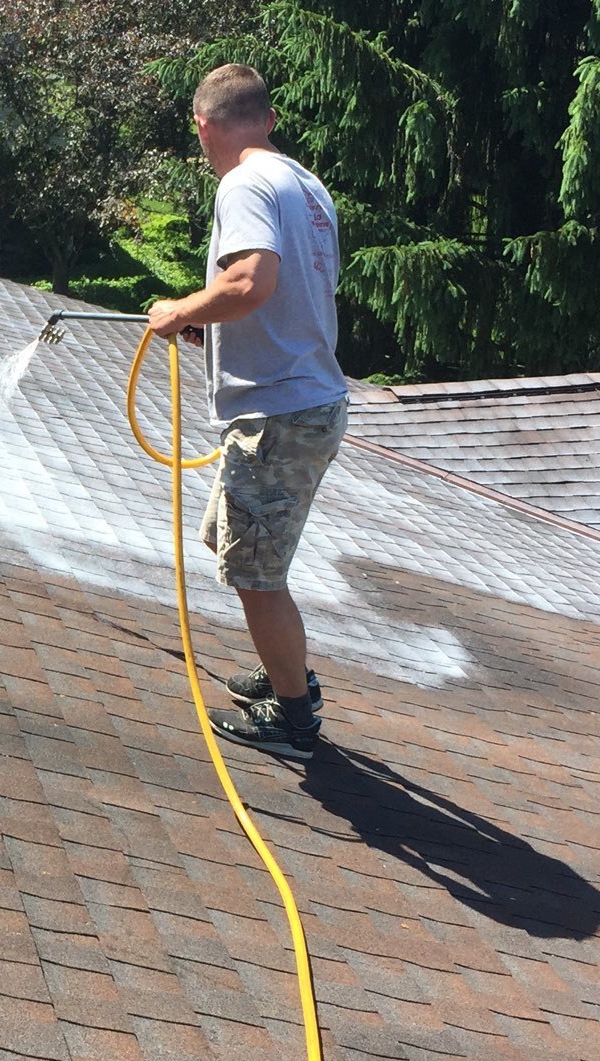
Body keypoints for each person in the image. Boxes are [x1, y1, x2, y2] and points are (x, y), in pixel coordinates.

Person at [145, 63, 348, 761]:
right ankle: (285, 669)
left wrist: (178, 311)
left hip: (278, 414)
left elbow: (250, 280)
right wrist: (216, 325)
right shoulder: (304, 185)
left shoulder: (243, 183)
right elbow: (289, 293)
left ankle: (294, 718)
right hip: (307, 400)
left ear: (204, 126)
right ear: (265, 118)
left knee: (256, 575)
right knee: (231, 544)